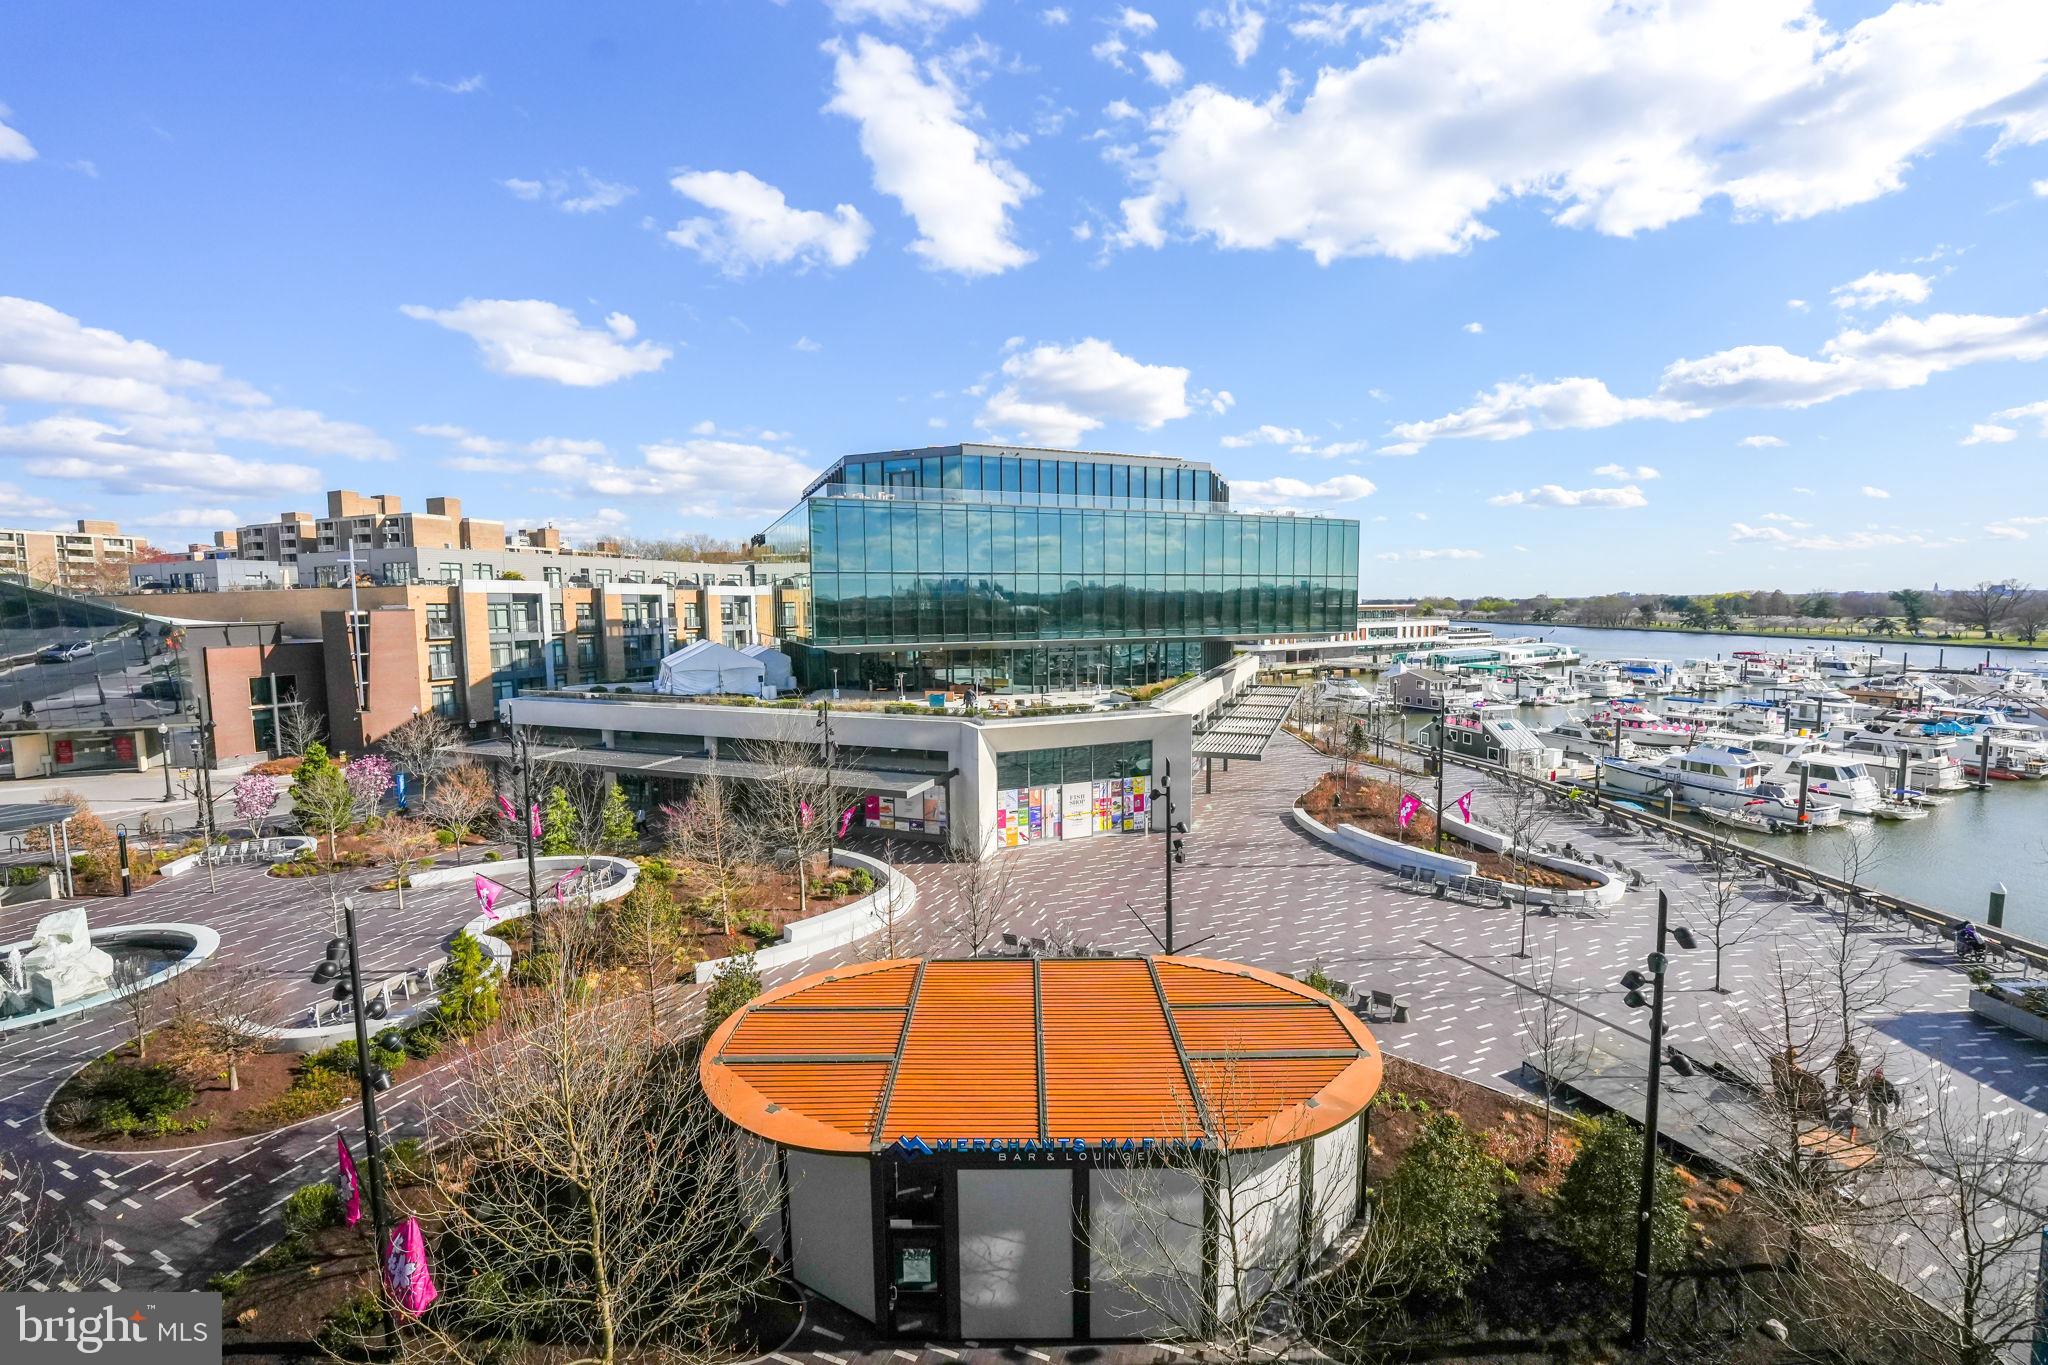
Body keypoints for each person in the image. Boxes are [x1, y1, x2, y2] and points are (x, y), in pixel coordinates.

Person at [1868, 1066, 1900, 1130]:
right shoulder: (1870, 1081)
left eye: (1879, 1074)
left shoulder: (1887, 1084)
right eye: (1876, 1074)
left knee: (1883, 1114)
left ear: (1882, 1075)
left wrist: (1897, 1105)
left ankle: (1883, 1126)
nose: (1878, 1076)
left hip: (1883, 1102)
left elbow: (1895, 1094)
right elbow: (1861, 1088)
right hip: (1872, 1100)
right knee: (1873, 1114)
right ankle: (1873, 1125)